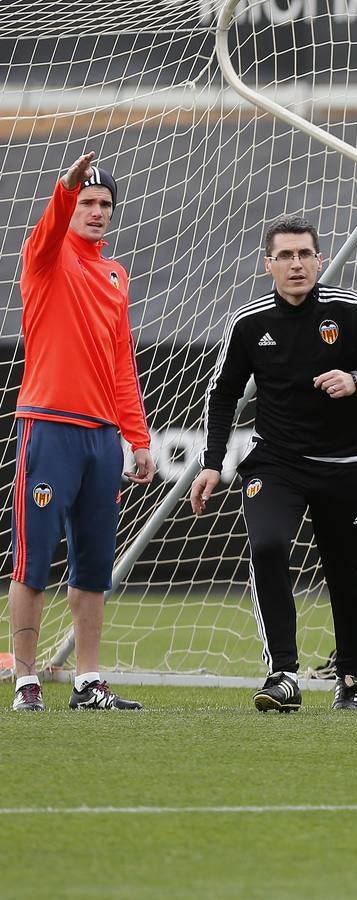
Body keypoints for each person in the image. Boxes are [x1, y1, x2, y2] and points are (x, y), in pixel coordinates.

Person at [189, 216, 357, 712]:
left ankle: (351, 679)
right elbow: (224, 392)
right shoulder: (248, 322)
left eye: (305, 254)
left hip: (344, 466)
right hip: (277, 462)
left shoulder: (350, 310)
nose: (297, 265)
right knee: (267, 544)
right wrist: (211, 462)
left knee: (344, 571)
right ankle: (283, 674)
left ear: (318, 258)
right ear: (268, 264)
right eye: (286, 256)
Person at [9, 152, 156, 713]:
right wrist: (63, 189)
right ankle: (26, 682)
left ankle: (88, 680)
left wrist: (137, 438)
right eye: (88, 203)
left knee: (94, 564)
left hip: (100, 438)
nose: (97, 212)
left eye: (105, 205)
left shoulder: (116, 274)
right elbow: (49, 230)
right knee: (34, 559)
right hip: (47, 427)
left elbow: (122, 364)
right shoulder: (45, 258)